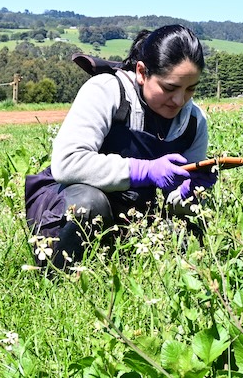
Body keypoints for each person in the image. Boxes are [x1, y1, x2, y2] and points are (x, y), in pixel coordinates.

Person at [24, 24, 217, 269]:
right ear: (142, 72)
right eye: (169, 88)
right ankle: (57, 276)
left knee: (188, 228)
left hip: (133, 214)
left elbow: (173, 205)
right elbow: (67, 163)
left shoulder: (193, 122)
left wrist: (188, 192)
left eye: (190, 89)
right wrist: (143, 171)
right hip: (68, 199)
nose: (179, 100)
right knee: (87, 203)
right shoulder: (106, 91)